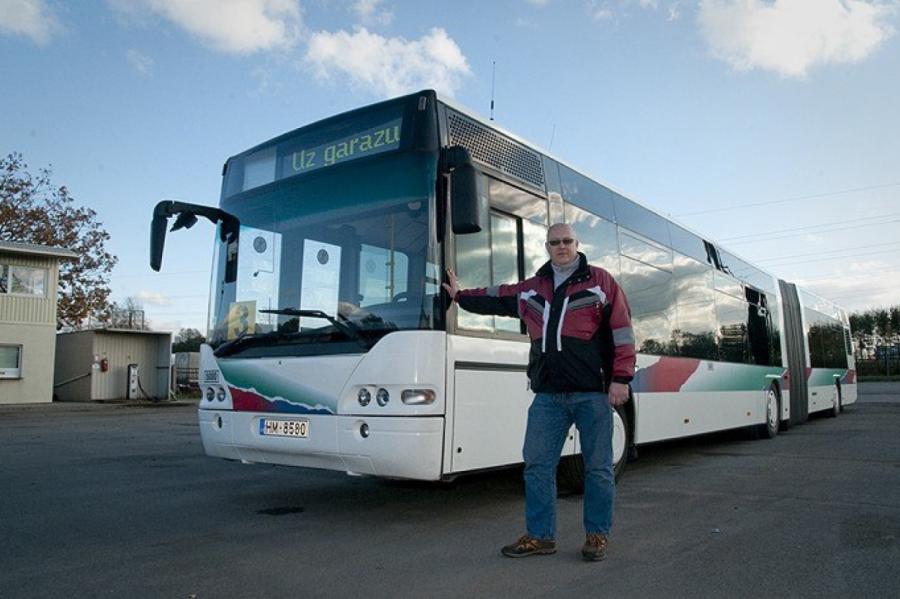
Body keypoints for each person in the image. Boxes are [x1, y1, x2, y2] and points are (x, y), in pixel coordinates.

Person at [442, 223, 635, 561]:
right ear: (546, 246)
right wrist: (459, 295)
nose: (561, 247)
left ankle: (597, 536)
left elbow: (622, 332)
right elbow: (496, 295)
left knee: (599, 468)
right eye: (554, 242)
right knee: (537, 465)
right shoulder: (532, 289)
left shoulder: (602, 282)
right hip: (548, 396)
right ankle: (540, 537)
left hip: (592, 392)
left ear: (577, 244)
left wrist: (621, 378)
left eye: (567, 241)